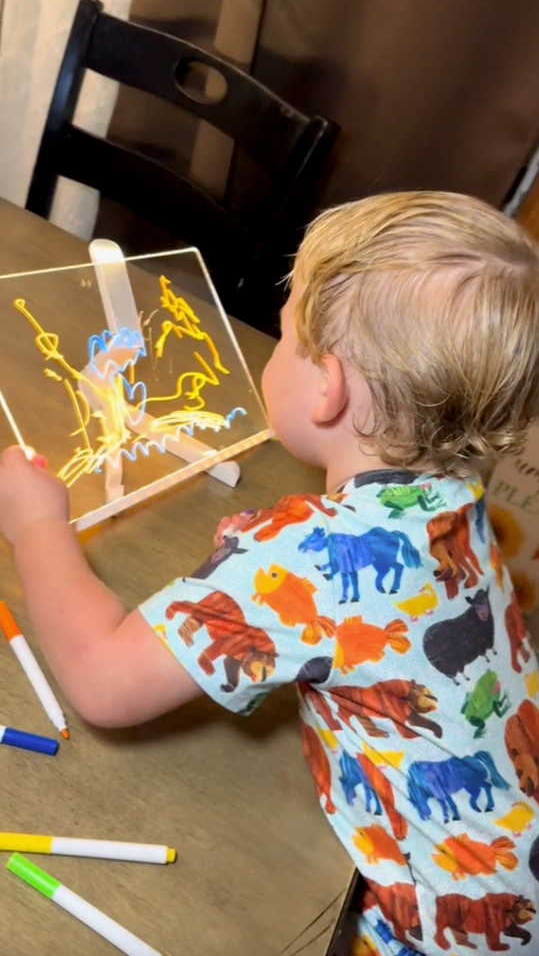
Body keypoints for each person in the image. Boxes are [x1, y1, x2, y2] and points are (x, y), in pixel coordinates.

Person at [1, 191, 539, 955]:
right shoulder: (456, 498)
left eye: (284, 334)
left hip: (449, 930)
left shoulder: (307, 553)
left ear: (326, 387)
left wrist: (34, 522)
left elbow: (101, 679)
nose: (272, 347)